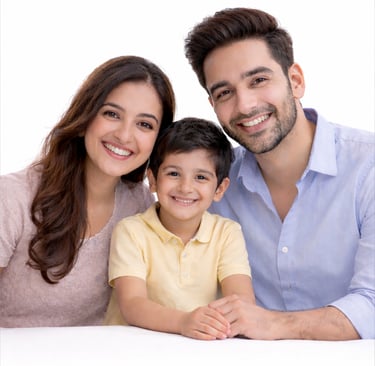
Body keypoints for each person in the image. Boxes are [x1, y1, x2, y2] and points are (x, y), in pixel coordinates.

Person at [184, 8, 375, 340]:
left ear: (295, 81)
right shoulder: (212, 182)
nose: (244, 105)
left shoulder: (367, 165)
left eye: (258, 80)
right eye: (224, 92)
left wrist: (273, 323)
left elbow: (372, 304)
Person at [0, 55, 176, 327]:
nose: (125, 135)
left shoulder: (139, 202)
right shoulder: (12, 197)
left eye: (144, 124)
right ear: (85, 117)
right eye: (112, 114)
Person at [104, 117, 255, 340]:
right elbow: (132, 305)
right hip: (131, 347)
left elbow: (241, 301)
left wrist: (218, 325)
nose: (185, 187)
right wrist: (184, 322)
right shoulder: (131, 231)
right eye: (173, 174)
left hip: (196, 347)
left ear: (219, 189)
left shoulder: (227, 233)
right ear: (153, 180)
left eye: (201, 177)